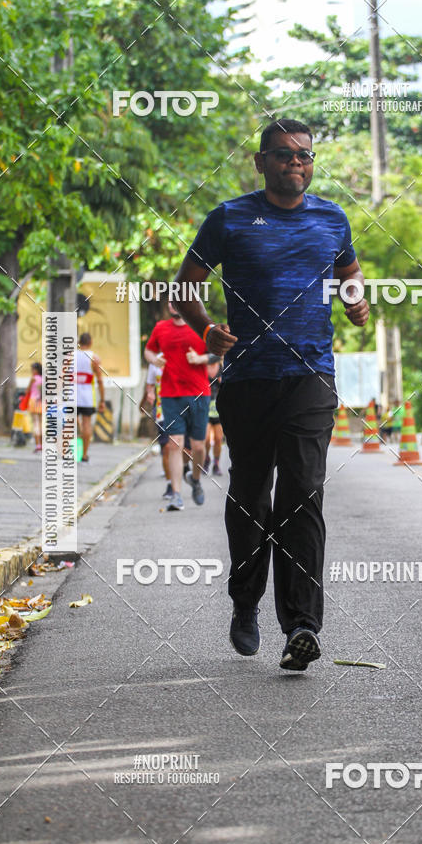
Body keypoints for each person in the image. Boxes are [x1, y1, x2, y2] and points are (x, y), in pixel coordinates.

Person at [168, 117, 369, 671]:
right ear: (260, 162)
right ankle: (245, 600)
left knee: (302, 494)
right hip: (248, 380)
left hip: (310, 378)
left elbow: (348, 271)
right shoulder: (229, 218)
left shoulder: (333, 217)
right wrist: (206, 329)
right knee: (251, 497)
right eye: (283, 154)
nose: (295, 163)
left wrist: (356, 300)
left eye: (304, 154)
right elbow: (184, 285)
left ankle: (302, 625)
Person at [144, 302, 211, 511]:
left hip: (199, 393)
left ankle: (195, 478)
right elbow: (148, 351)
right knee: (174, 444)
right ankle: (176, 495)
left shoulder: (202, 326)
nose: (173, 304)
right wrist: (155, 359)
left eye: (178, 299)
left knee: (198, 446)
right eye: (171, 301)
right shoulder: (160, 327)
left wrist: (200, 358)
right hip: (170, 394)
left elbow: (218, 353)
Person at [144, 355, 173, 498]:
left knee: (182, 448)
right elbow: (149, 385)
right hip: (162, 411)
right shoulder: (155, 361)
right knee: (166, 448)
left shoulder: (181, 354)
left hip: (181, 410)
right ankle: (171, 485)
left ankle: (185, 471)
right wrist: (150, 393)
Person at [76, 332, 105, 463]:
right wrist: (102, 400)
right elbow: (99, 380)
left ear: (79, 342)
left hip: (72, 395)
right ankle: (84, 454)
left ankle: (69, 453)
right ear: (90, 342)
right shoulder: (94, 358)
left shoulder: (70, 356)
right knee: (86, 424)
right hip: (87, 397)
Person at [203, 357, 223, 475]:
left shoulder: (222, 368)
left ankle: (216, 464)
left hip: (218, 409)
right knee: (206, 438)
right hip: (205, 408)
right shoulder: (203, 367)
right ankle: (206, 459)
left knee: (218, 439)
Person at [24, 362, 43, 452]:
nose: (31, 371)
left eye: (32, 369)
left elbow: (28, 390)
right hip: (42, 402)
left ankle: (38, 445)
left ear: (36, 370)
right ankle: (42, 444)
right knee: (41, 424)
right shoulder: (44, 379)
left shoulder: (33, 379)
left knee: (35, 424)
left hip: (33, 401)